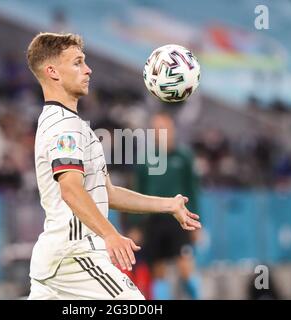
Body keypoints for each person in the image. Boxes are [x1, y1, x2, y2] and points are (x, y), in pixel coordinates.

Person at [26, 32, 201, 300]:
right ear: (53, 72)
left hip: (59, 260)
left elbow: (107, 193)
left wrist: (168, 205)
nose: (88, 69)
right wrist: (110, 235)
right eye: (77, 62)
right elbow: (71, 190)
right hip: (74, 256)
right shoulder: (65, 127)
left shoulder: (74, 125)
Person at [133, 111, 202, 299]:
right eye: (155, 129)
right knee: (158, 271)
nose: (159, 132)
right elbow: (137, 192)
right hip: (154, 221)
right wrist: (136, 225)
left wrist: (196, 223)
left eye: (163, 128)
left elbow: (193, 190)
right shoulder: (146, 159)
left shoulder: (184, 156)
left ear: (172, 129)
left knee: (186, 266)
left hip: (179, 220)